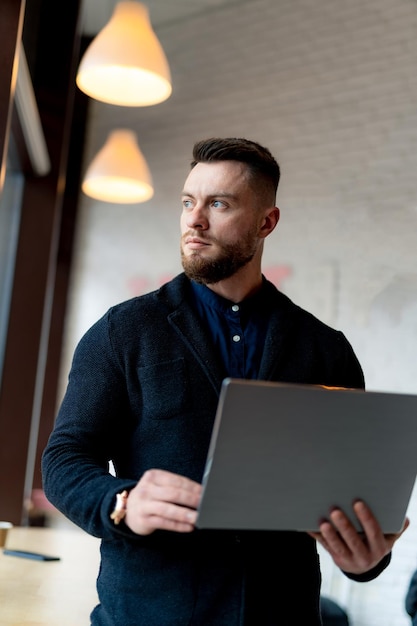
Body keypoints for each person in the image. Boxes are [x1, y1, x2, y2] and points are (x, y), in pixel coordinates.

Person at [42, 137, 408, 626]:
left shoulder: (326, 349)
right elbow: (64, 459)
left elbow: (353, 493)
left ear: (266, 222)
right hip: (147, 615)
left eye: (219, 204)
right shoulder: (122, 331)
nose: (195, 220)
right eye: (189, 202)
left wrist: (366, 561)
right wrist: (120, 502)